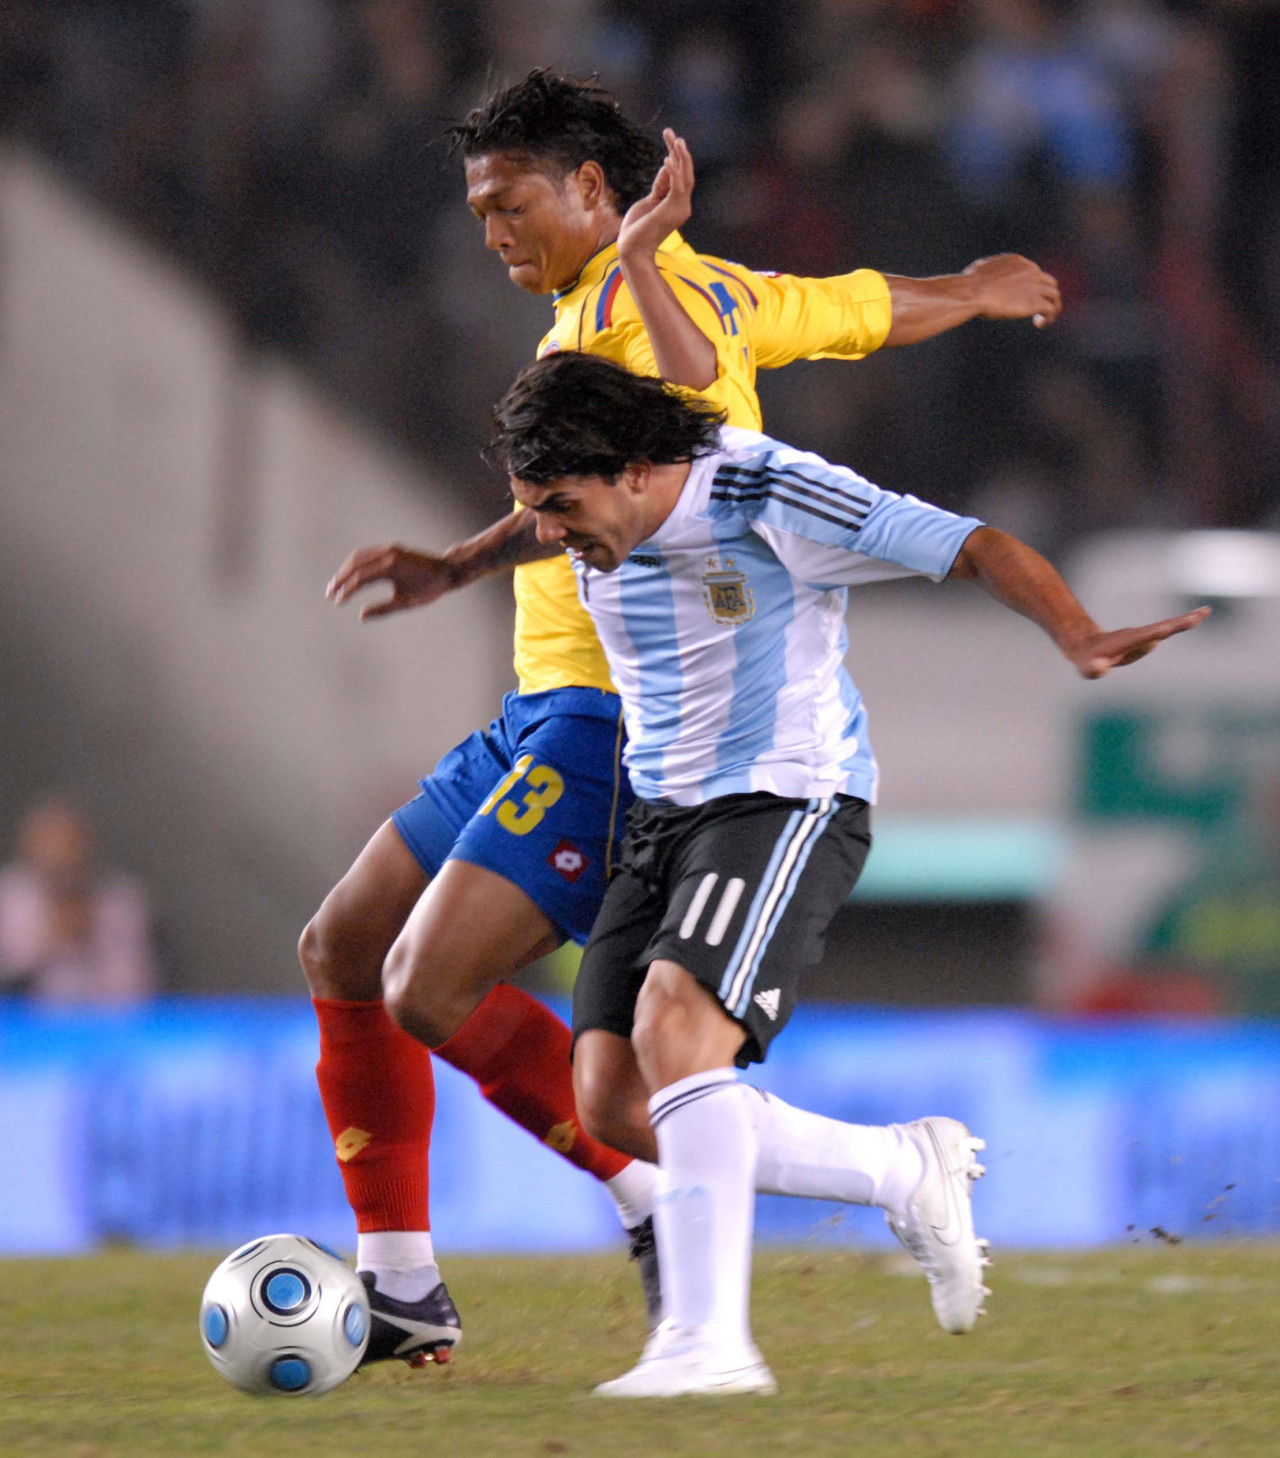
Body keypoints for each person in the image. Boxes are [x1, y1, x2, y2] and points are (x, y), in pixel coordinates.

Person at [304, 69, 1062, 1366]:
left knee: (429, 985)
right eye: (478, 207)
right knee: (345, 945)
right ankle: (402, 1276)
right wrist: (980, 288)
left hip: (609, 713)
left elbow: (687, 424)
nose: (491, 229)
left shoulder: (645, 315)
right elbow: (863, 311)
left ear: (595, 189)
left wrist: (473, 560)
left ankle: (649, 1193)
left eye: (509, 202)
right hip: (537, 703)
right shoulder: (702, 284)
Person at [486, 349, 1210, 1397]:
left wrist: (1077, 633)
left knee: (676, 1026)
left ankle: (708, 1348)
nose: (549, 535)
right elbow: (521, 528)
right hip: (659, 814)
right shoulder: (589, 513)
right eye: (532, 511)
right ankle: (898, 1169)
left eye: (559, 506)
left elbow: (970, 544)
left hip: (783, 797)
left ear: (638, 470)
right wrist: (443, 566)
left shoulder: (765, 490)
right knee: (607, 1102)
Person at [0, 796, 159, 1003]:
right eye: (51, 842)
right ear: (29, 845)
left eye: (71, 843)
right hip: (22, 1028)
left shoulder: (120, 901)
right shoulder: (10, 896)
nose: (62, 855)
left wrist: (93, 938)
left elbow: (141, 991)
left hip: (105, 1027)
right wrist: (48, 944)